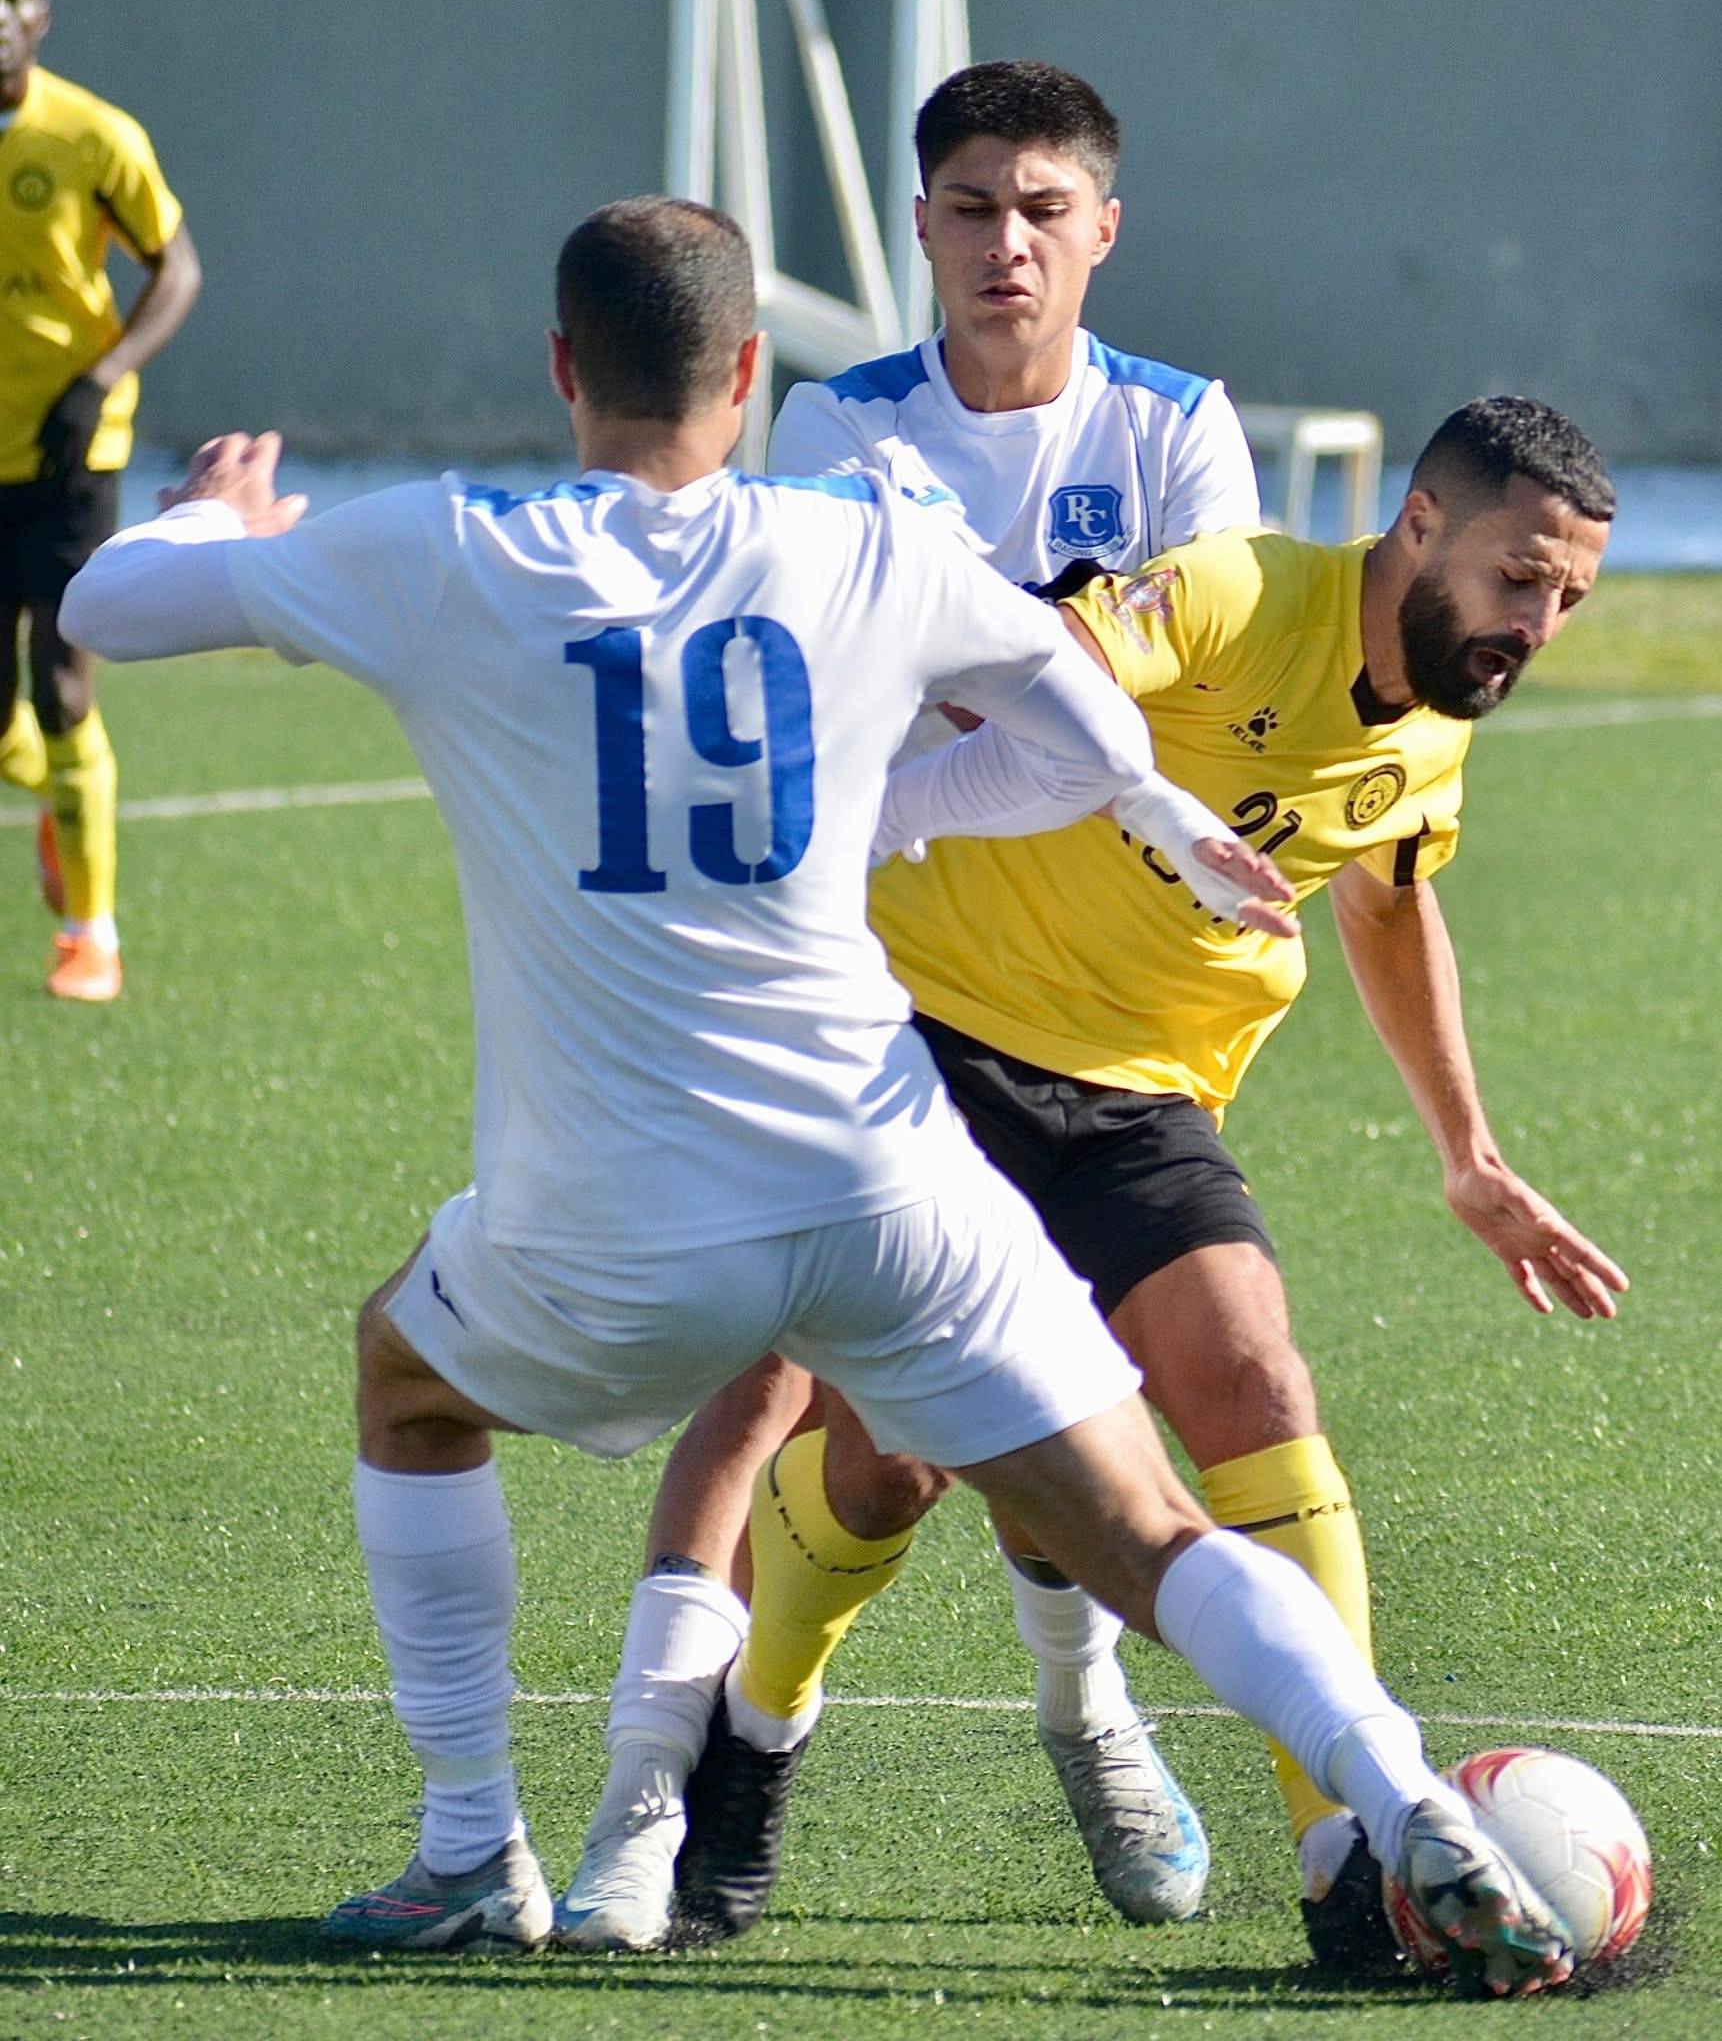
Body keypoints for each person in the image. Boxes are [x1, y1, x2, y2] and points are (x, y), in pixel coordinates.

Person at [63, 198, 1572, 2002]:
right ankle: (1401, 1792)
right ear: (749, 372)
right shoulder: (857, 548)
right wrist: (1158, 816)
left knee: (407, 1374)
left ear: (562, 368)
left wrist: (222, 522)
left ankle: (475, 1844)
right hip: (885, 1180)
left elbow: (105, 604)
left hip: (613, 1215)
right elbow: (1072, 713)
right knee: (1156, 1529)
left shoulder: (453, 550)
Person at [662, 396, 1628, 1970]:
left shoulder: (1438, 713)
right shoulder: (1241, 592)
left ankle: (1339, 1854)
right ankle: (752, 1739)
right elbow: (1036, 694)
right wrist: (1118, 806)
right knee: (892, 1459)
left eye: (1569, 598)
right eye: (1522, 577)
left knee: (1252, 1377)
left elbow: (1385, 903)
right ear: (1421, 523)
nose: (1539, 621)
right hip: (934, 1048)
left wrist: (1471, 1159)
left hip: (1142, 1105)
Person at [566, 57, 1261, 1952]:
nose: (1005, 241)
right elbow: (851, 696)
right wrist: (1025, 710)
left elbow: (1149, 735)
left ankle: (1080, 1705)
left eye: (1043, 207)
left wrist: (986, 721)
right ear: (921, 226)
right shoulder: (835, 418)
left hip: (1096, 1005)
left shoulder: (1188, 433)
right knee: (811, 1400)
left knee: (1044, 1396)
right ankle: (696, 1764)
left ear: (1101, 227)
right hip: (859, 985)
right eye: (969, 205)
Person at [0, 0, 200, 1000]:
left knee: (63, 682)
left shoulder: (93, 136)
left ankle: (91, 933)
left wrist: (101, 377)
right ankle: (56, 803)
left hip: (70, 450)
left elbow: (177, 268)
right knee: (6, 723)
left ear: (42, 16)